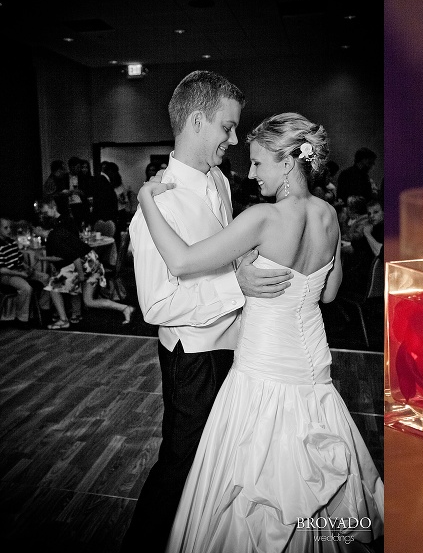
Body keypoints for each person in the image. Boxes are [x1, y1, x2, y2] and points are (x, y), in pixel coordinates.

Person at [137, 112, 383, 552]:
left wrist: (147, 200)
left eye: (258, 163)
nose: (250, 173)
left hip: (261, 368)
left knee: (250, 488)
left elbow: (181, 261)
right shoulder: (327, 214)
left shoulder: (263, 218)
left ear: (288, 163)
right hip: (313, 372)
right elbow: (328, 295)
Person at [121, 70, 294, 553]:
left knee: (221, 460)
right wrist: (236, 288)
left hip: (235, 346)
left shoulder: (217, 179)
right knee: (182, 462)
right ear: (197, 122)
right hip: (193, 357)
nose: (234, 139)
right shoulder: (156, 206)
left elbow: (225, 247)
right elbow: (156, 303)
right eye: (227, 127)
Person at [37, 196, 134, 328]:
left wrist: (81, 275)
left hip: (84, 264)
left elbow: (75, 256)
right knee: (89, 301)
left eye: (36, 230)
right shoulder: (60, 229)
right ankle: (124, 308)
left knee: (54, 287)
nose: (36, 234)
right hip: (93, 261)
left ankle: (64, 320)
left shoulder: (56, 235)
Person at [0, 217, 50, 328]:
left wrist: (27, 268)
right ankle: (22, 318)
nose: (9, 230)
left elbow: (19, 260)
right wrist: (20, 274)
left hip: (19, 271)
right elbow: (2, 269)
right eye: (5, 228)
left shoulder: (12, 242)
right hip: (7, 275)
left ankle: (44, 308)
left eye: (10, 227)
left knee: (46, 277)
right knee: (26, 288)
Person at [91, 161, 120, 227]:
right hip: (105, 217)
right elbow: (105, 201)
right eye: (115, 172)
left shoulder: (101, 180)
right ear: (110, 171)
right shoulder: (103, 181)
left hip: (102, 216)